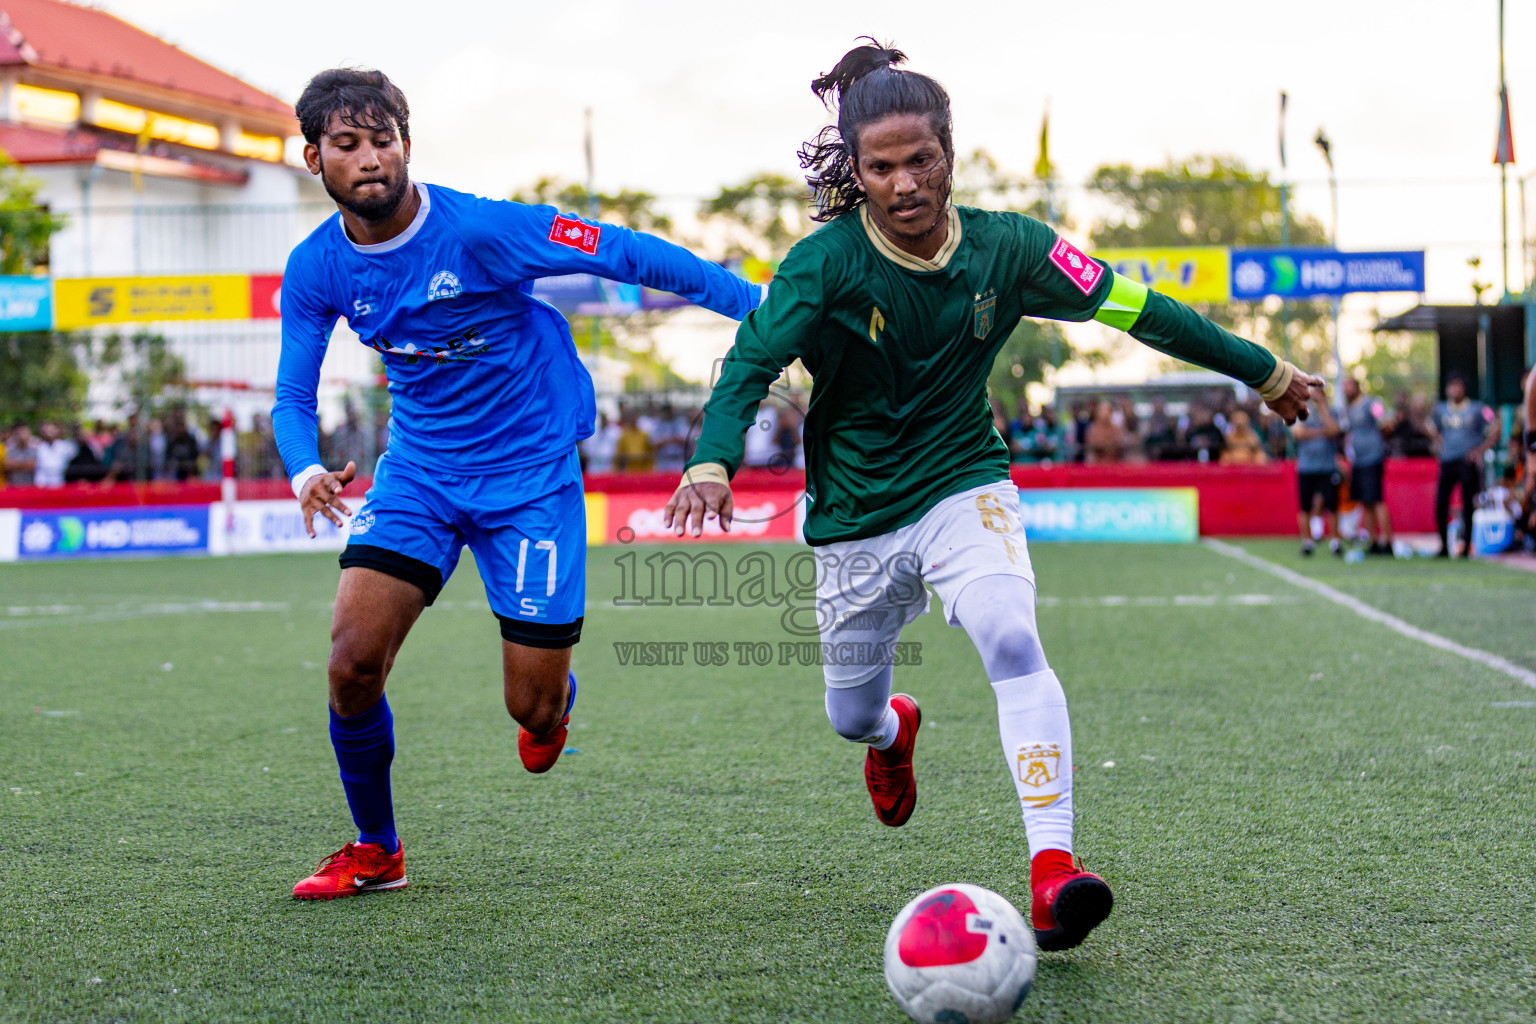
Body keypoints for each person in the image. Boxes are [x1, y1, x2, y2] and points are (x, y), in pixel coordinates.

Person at [663, 40, 1318, 953]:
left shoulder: (1013, 249)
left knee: (1011, 632)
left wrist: (1264, 369)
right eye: (881, 167)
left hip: (965, 479)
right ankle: (894, 734)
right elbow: (751, 363)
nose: (903, 184)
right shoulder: (824, 265)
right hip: (854, 518)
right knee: (850, 714)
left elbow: (1142, 310)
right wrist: (710, 461)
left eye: (920, 160)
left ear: (951, 155)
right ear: (855, 172)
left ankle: (1054, 874)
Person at [271, 68, 761, 900]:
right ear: (315, 157)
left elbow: (628, 252)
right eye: (347, 145)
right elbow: (292, 396)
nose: (370, 159)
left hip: (531, 477)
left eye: (383, 139)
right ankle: (376, 848)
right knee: (352, 665)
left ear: (407, 144)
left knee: (530, 715)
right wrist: (307, 469)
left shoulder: (486, 231)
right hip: (420, 475)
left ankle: (555, 699)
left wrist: (759, 304)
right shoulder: (316, 267)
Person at [1427, 373, 1499, 558]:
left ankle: (1466, 546)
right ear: (1447, 389)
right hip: (1447, 461)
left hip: (1467, 462)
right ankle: (1443, 545)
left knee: (1468, 504)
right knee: (1441, 503)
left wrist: (1480, 450)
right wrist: (1437, 442)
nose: (1455, 390)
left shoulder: (1476, 408)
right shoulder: (1441, 409)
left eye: (1458, 386)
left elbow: (1496, 424)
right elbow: (1429, 425)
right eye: (1452, 386)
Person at [1339, 377, 1394, 554]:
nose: (1346, 390)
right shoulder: (1349, 410)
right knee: (1366, 501)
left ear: (1357, 387)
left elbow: (1386, 423)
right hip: (1359, 460)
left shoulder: (1372, 403)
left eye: (1349, 386)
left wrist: (1378, 445)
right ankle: (1373, 541)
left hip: (1373, 458)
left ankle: (1387, 541)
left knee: (1377, 500)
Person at [1291, 387, 1343, 556]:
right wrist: (1322, 432)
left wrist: (1322, 408)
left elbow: (1334, 431)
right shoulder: (1301, 411)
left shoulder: (1331, 412)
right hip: (1306, 466)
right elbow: (1298, 433)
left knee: (1332, 506)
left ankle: (1335, 541)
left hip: (1327, 466)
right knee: (1305, 506)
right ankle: (1307, 542)